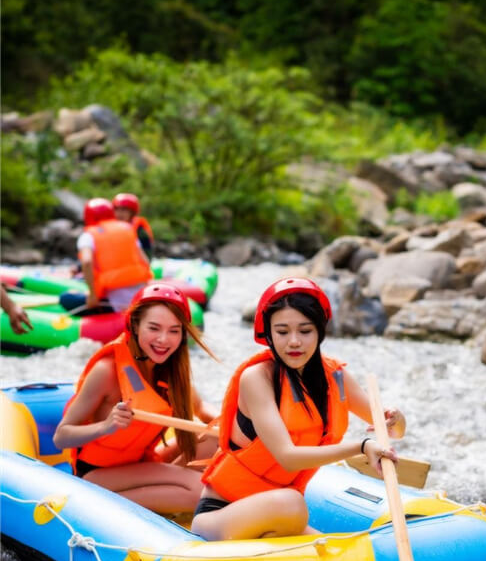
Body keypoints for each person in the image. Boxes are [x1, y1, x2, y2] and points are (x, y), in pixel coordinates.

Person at [191, 277, 405, 541]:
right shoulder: (258, 378)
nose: (294, 342)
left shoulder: (336, 377)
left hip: (277, 514)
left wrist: (395, 419)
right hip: (223, 515)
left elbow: (393, 432)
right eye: (282, 332)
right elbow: (287, 457)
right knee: (292, 504)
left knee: (341, 551)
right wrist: (361, 446)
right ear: (268, 334)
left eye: (305, 331)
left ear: (320, 332)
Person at [53, 282, 219, 513]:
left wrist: (237, 425)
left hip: (140, 464)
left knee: (214, 438)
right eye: (154, 328)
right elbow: (61, 436)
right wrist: (106, 426)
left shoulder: (168, 370)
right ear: (135, 325)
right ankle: (103, 505)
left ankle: (168, 493)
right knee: (199, 493)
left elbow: (201, 409)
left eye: (174, 330)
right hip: (96, 477)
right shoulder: (107, 371)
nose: (164, 339)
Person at [60, 197, 153, 313]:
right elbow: (145, 261)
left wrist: (92, 295)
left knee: (65, 298)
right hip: (138, 296)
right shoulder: (128, 229)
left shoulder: (88, 235)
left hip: (115, 303)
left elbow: (87, 261)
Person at [113, 192, 154, 258]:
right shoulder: (109, 229)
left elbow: (147, 257)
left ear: (132, 212)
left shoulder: (140, 232)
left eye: (124, 210)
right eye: (117, 209)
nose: (119, 213)